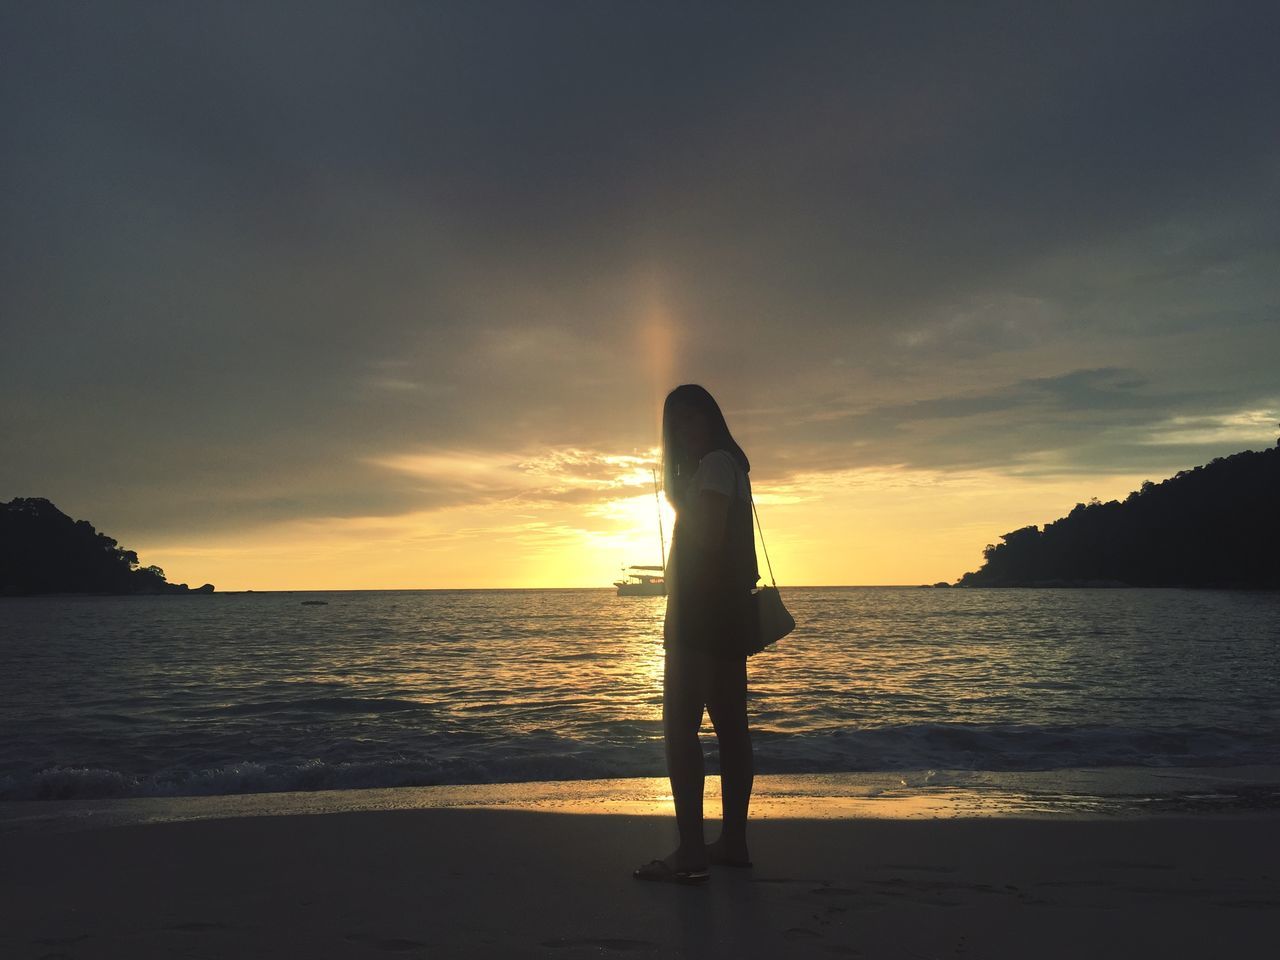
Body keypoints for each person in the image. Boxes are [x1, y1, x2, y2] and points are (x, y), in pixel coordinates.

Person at [633, 384, 760, 885]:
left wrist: (678, 496)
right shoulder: (732, 465)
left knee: (680, 727)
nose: (687, 432)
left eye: (694, 419)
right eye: (678, 424)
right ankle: (732, 841)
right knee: (731, 727)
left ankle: (691, 849)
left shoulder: (712, 467)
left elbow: (707, 538)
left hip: (700, 613)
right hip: (725, 611)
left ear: (711, 419)